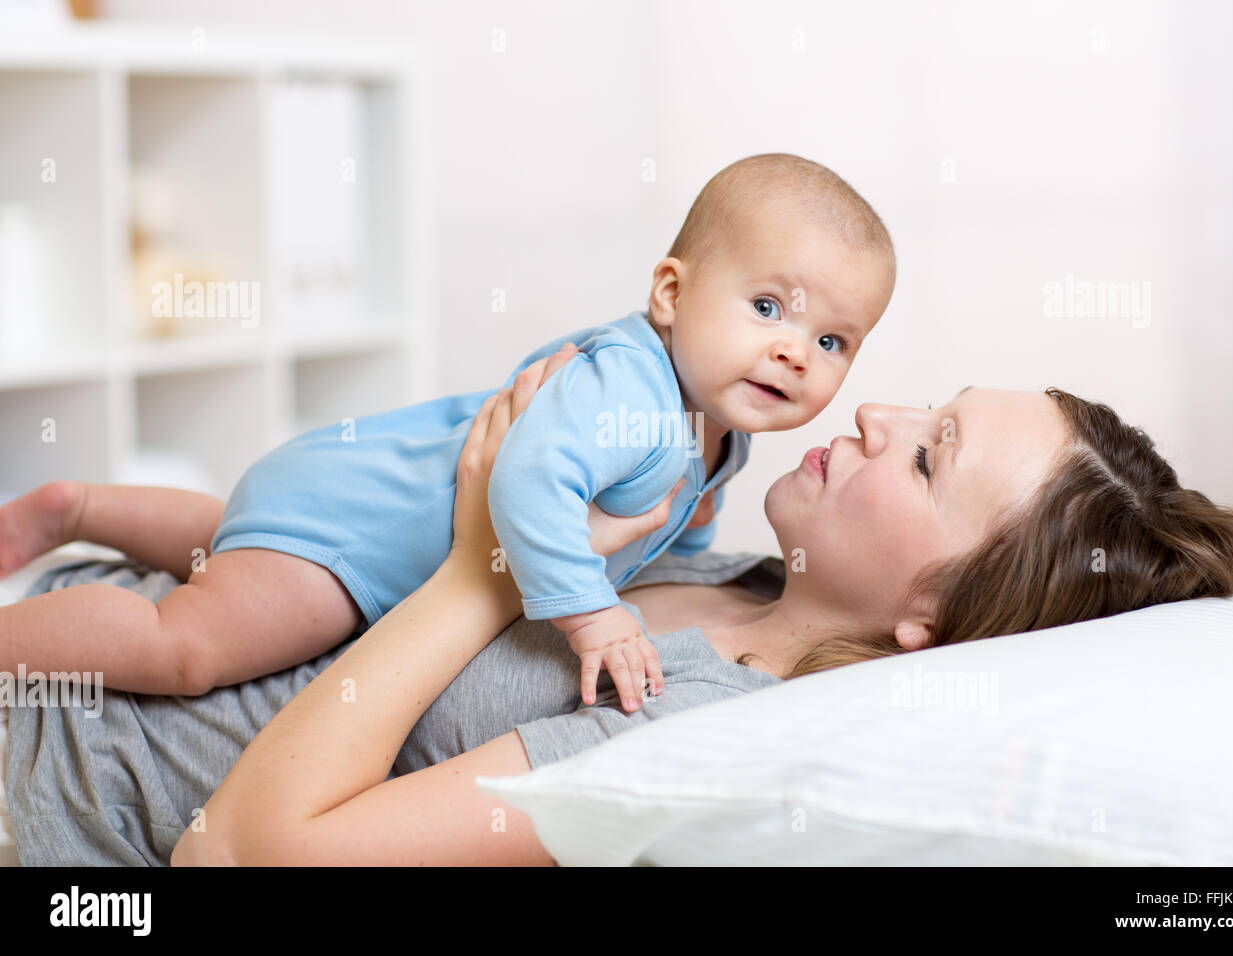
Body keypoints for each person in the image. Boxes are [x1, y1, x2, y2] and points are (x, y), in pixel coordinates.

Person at [3, 348, 1233, 865]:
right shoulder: (726, 563)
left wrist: (483, 569)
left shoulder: (688, 725)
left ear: (932, 616)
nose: (879, 414)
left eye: (927, 455)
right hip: (69, 630)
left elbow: (250, 853)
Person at [0, 153, 897, 714]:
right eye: (768, 306)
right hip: (358, 546)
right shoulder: (636, 393)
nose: (791, 353)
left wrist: (661, 561)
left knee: (232, 540)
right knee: (188, 647)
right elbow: (525, 482)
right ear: (671, 292)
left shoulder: (714, 429)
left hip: (347, 493)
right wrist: (592, 622)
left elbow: (675, 519)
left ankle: (76, 505)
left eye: (830, 341)